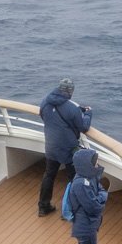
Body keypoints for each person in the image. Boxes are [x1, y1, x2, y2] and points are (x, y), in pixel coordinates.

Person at [37, 78, 92, 216]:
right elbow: (83, 128)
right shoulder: (72, 109)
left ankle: (43, 207)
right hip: (68, 148)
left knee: (49, 175)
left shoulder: (45, 102)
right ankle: (70, 210)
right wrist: (88, 114)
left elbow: (43, 115)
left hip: (51, 145)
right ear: (70, 92)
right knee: (73, 179)